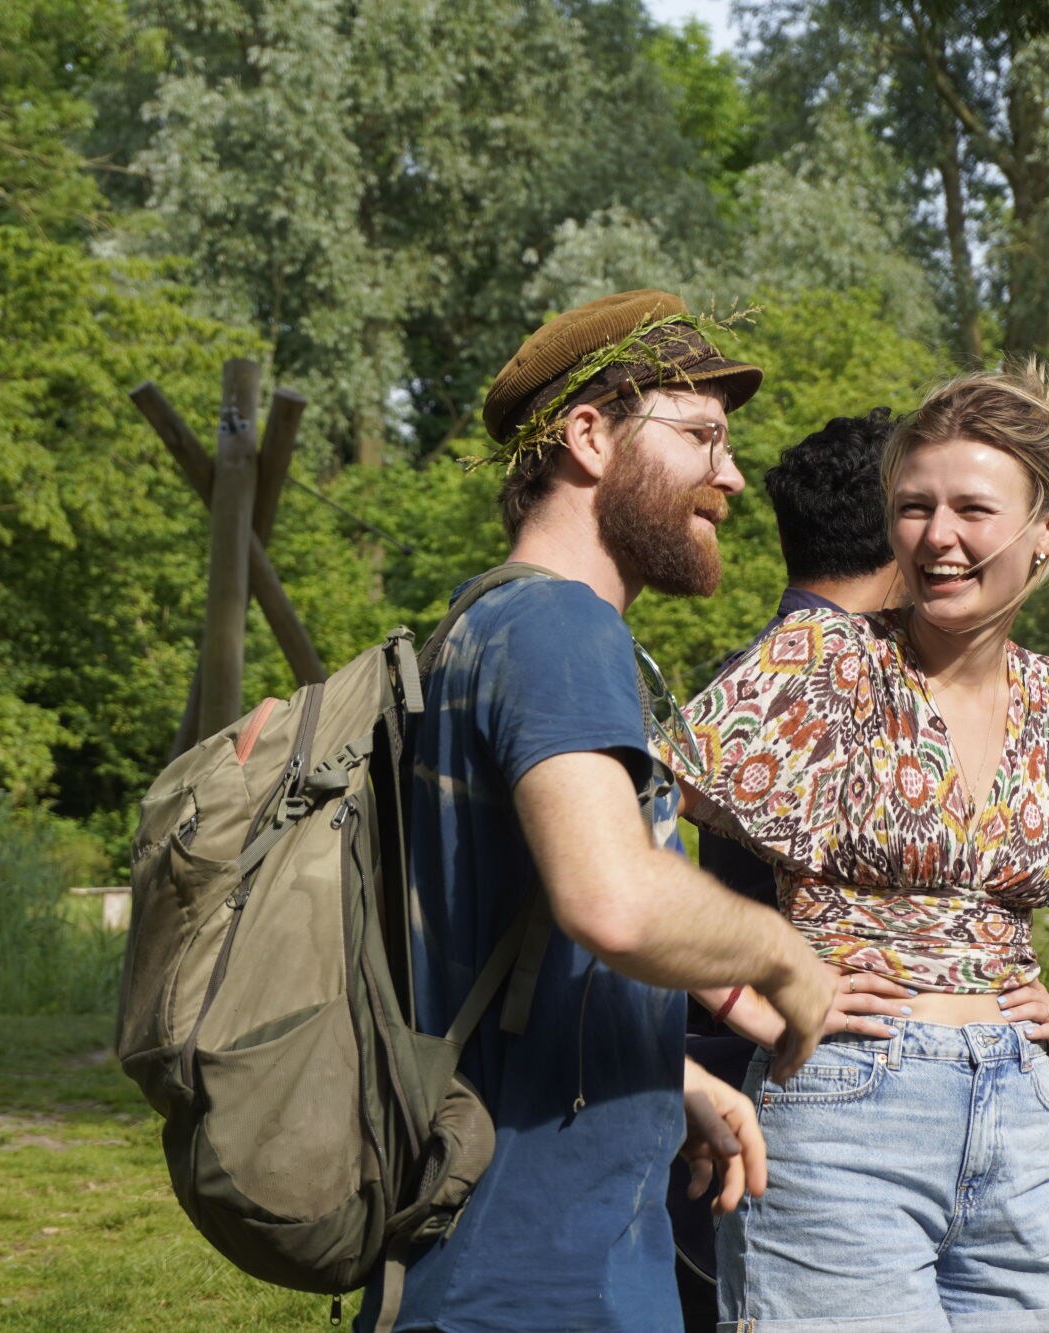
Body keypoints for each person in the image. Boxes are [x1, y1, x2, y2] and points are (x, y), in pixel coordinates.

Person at [674, 362, 1049, 1333]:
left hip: (1014, 1120)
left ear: (1046, 529)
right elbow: (627, 825)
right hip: (840, 1115)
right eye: (913, 508)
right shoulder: (825, 663)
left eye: (971, 508)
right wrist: (742, 999)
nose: (936, 536)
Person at [355, 289, 835, 1333]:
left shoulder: (483, 625)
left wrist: (665, 1081)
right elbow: (610, 899)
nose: (730, 476)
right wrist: (786, 959)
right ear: (588, 435)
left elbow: (503, 953)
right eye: (699, 436)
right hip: (533, 1283)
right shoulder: (561, 630)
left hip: (499, 1264)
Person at [669, 408, 914, 1332]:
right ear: (899, 530)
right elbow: (620, 848)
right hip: (800, 1090)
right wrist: (757, 997)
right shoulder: (839, 680)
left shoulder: (746, 670)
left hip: (736, 1080)